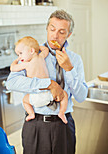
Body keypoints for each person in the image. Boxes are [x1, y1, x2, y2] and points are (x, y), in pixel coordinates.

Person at [6, 9, 88, 154]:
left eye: (62, 32)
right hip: (36, 124)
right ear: (47, 28)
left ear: (69, 35)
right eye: (52, 29)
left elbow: (81, 96)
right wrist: (48, 84)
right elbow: (11, 83)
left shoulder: (75, 60)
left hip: (63, 125)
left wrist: (69, 69)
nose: (55, 35)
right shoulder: (31, 53)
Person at [10, 36, 68, 124]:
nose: (19, 57)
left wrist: (15, 61)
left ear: (32, 51)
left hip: (36, 97)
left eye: (21, 53)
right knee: (64, 94)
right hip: (49, 94)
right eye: (18, 55)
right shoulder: (41, 57)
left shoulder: (26, 64)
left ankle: (31, 113)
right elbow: (46, 50)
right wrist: (37, 46)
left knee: (25, 100)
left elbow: (13, 68)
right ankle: (62, 113)